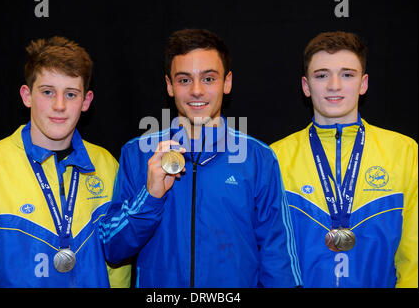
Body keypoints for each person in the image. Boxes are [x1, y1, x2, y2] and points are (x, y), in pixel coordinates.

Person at [100, 28, 302, 287]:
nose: (196, 91)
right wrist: (149, 197)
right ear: (169, 86)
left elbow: (278, 256)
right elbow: (113, 248)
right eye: (184, 80)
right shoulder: (137, 153)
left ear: (227, 82)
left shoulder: (259, 158)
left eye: (208, 79)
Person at [0, 36, 131, 287]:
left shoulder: (107, 165)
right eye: (47, 92)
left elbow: (118, 265)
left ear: (86, 101)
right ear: (27, 95)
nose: (59, 106)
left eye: (71, 94)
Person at [270, 31, 418, 287]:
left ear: (364, 83)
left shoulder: (404, 151)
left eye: (347, 74)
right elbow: (270, 257)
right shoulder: (275, 156)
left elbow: (413, 255)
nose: (334, 85)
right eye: (322, 75)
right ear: (306, 86)